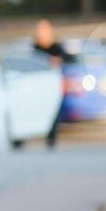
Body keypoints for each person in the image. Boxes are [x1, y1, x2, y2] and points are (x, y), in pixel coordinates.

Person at [33, 19, 67, 149]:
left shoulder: (57, 48)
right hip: (35, 86)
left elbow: (64, 63)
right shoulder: (34, 48)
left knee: (54, 112)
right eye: (40, 30)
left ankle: (51, 138)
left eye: (45, 30)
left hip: (53, 86)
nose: (42, 33)